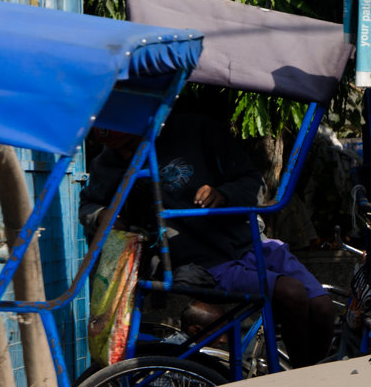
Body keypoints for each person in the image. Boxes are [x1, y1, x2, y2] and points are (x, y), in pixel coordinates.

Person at [80, 113, 335, 368]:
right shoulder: (110, 163)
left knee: (322, 305)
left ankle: (311, 378)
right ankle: (302, 381)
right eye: (117, 151)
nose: (125, 156)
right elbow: (88, 204)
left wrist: (223, 194)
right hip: (204, 262)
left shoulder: (196, 131)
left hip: (250, 241)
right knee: (290, 292)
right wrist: (105, 215)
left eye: (128, 146)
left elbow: (250, 182)